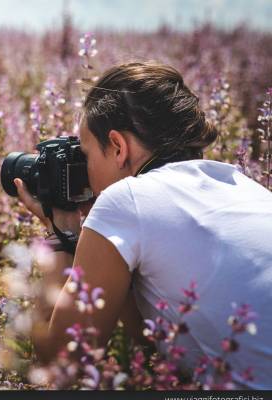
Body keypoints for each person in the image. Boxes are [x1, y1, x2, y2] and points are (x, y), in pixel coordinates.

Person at [14, 61, 272, 389]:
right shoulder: (244, 185)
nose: (85, 171)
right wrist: (103, 241)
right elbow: (154, 339)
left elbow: (61, 365)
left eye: (86, 154)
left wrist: (61, 234)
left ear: (118, 147)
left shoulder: (125, 201)